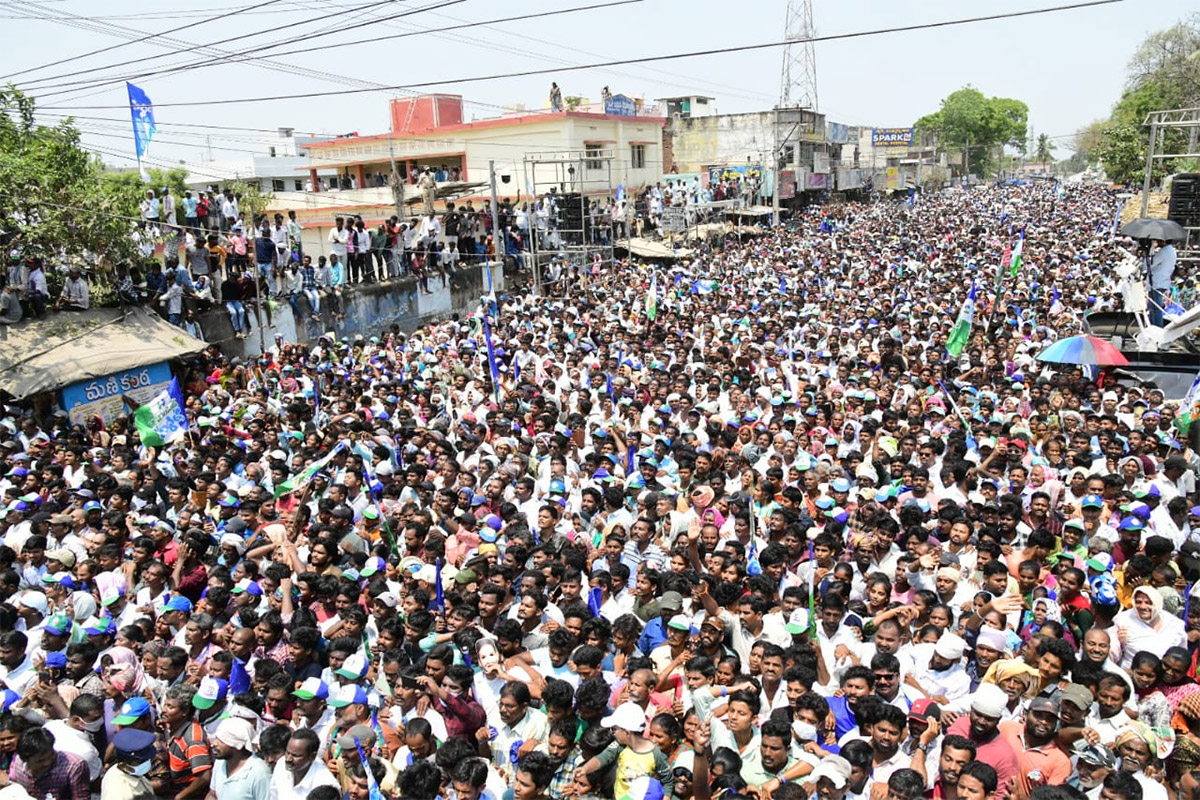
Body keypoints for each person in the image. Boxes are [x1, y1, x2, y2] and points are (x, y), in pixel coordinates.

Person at [9, 726, 89, 800]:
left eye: (51, 756)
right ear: (25, 760)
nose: (47, 763)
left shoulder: (74, 766)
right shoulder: (18, 764)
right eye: (40, 761)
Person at [210, 718, 271, 800]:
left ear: (237, 746)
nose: (214, 744)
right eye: (216, 738)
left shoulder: (259, 773)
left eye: (222, 741)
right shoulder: (220, 763)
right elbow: (212, 794)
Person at [1148, 238, 1177, 328]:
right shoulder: (1171, 250)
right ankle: (1154, 326)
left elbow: (1150, 264)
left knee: (1155, 308)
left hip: (1157, 282)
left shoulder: (1164, 251)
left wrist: (1151, 249)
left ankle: (1157, 327)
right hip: (1161, 281)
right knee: (1153, 307)